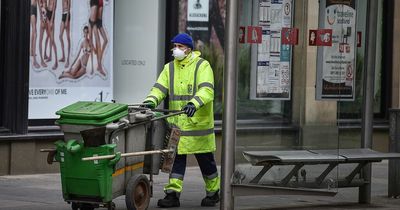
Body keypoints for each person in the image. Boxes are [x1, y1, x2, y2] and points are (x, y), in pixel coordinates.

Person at [142, 33, 220, 208]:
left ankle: (214, 192)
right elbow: (159, 88)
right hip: (178, 125)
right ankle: (172, 194)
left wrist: (194, 103)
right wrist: (150, 100)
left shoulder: (202, 66)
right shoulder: (170, 68)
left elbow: (207, 90)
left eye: (180, 46)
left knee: (206, 161)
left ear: (189, 49)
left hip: (197, 126)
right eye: (174, 46)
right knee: (176, 160)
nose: (176, 49)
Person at [59, 0, 71, 68]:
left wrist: (66, 20)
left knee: (68, 38)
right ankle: (63, 56)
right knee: (60, 36)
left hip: (67, 15)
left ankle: (68, 60)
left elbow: (69, 7)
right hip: (63, 15)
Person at [30, 0, 40, 69]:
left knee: (33, 32)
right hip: (32, 8)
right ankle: (34, 61)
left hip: (34, 9)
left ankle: (31, 51)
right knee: (35, 33)